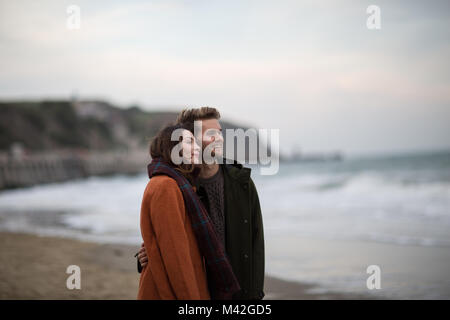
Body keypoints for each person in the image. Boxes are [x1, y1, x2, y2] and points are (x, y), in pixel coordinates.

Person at [137, 107, 265, 300]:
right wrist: (146, 255)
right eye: (211, 134)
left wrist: (255, 293)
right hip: (200, 288)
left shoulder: (242, 182)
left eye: (220, 133)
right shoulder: (181, 185)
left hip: (237, 290)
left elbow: (256, 242)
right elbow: (169, 239)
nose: (219, 139)